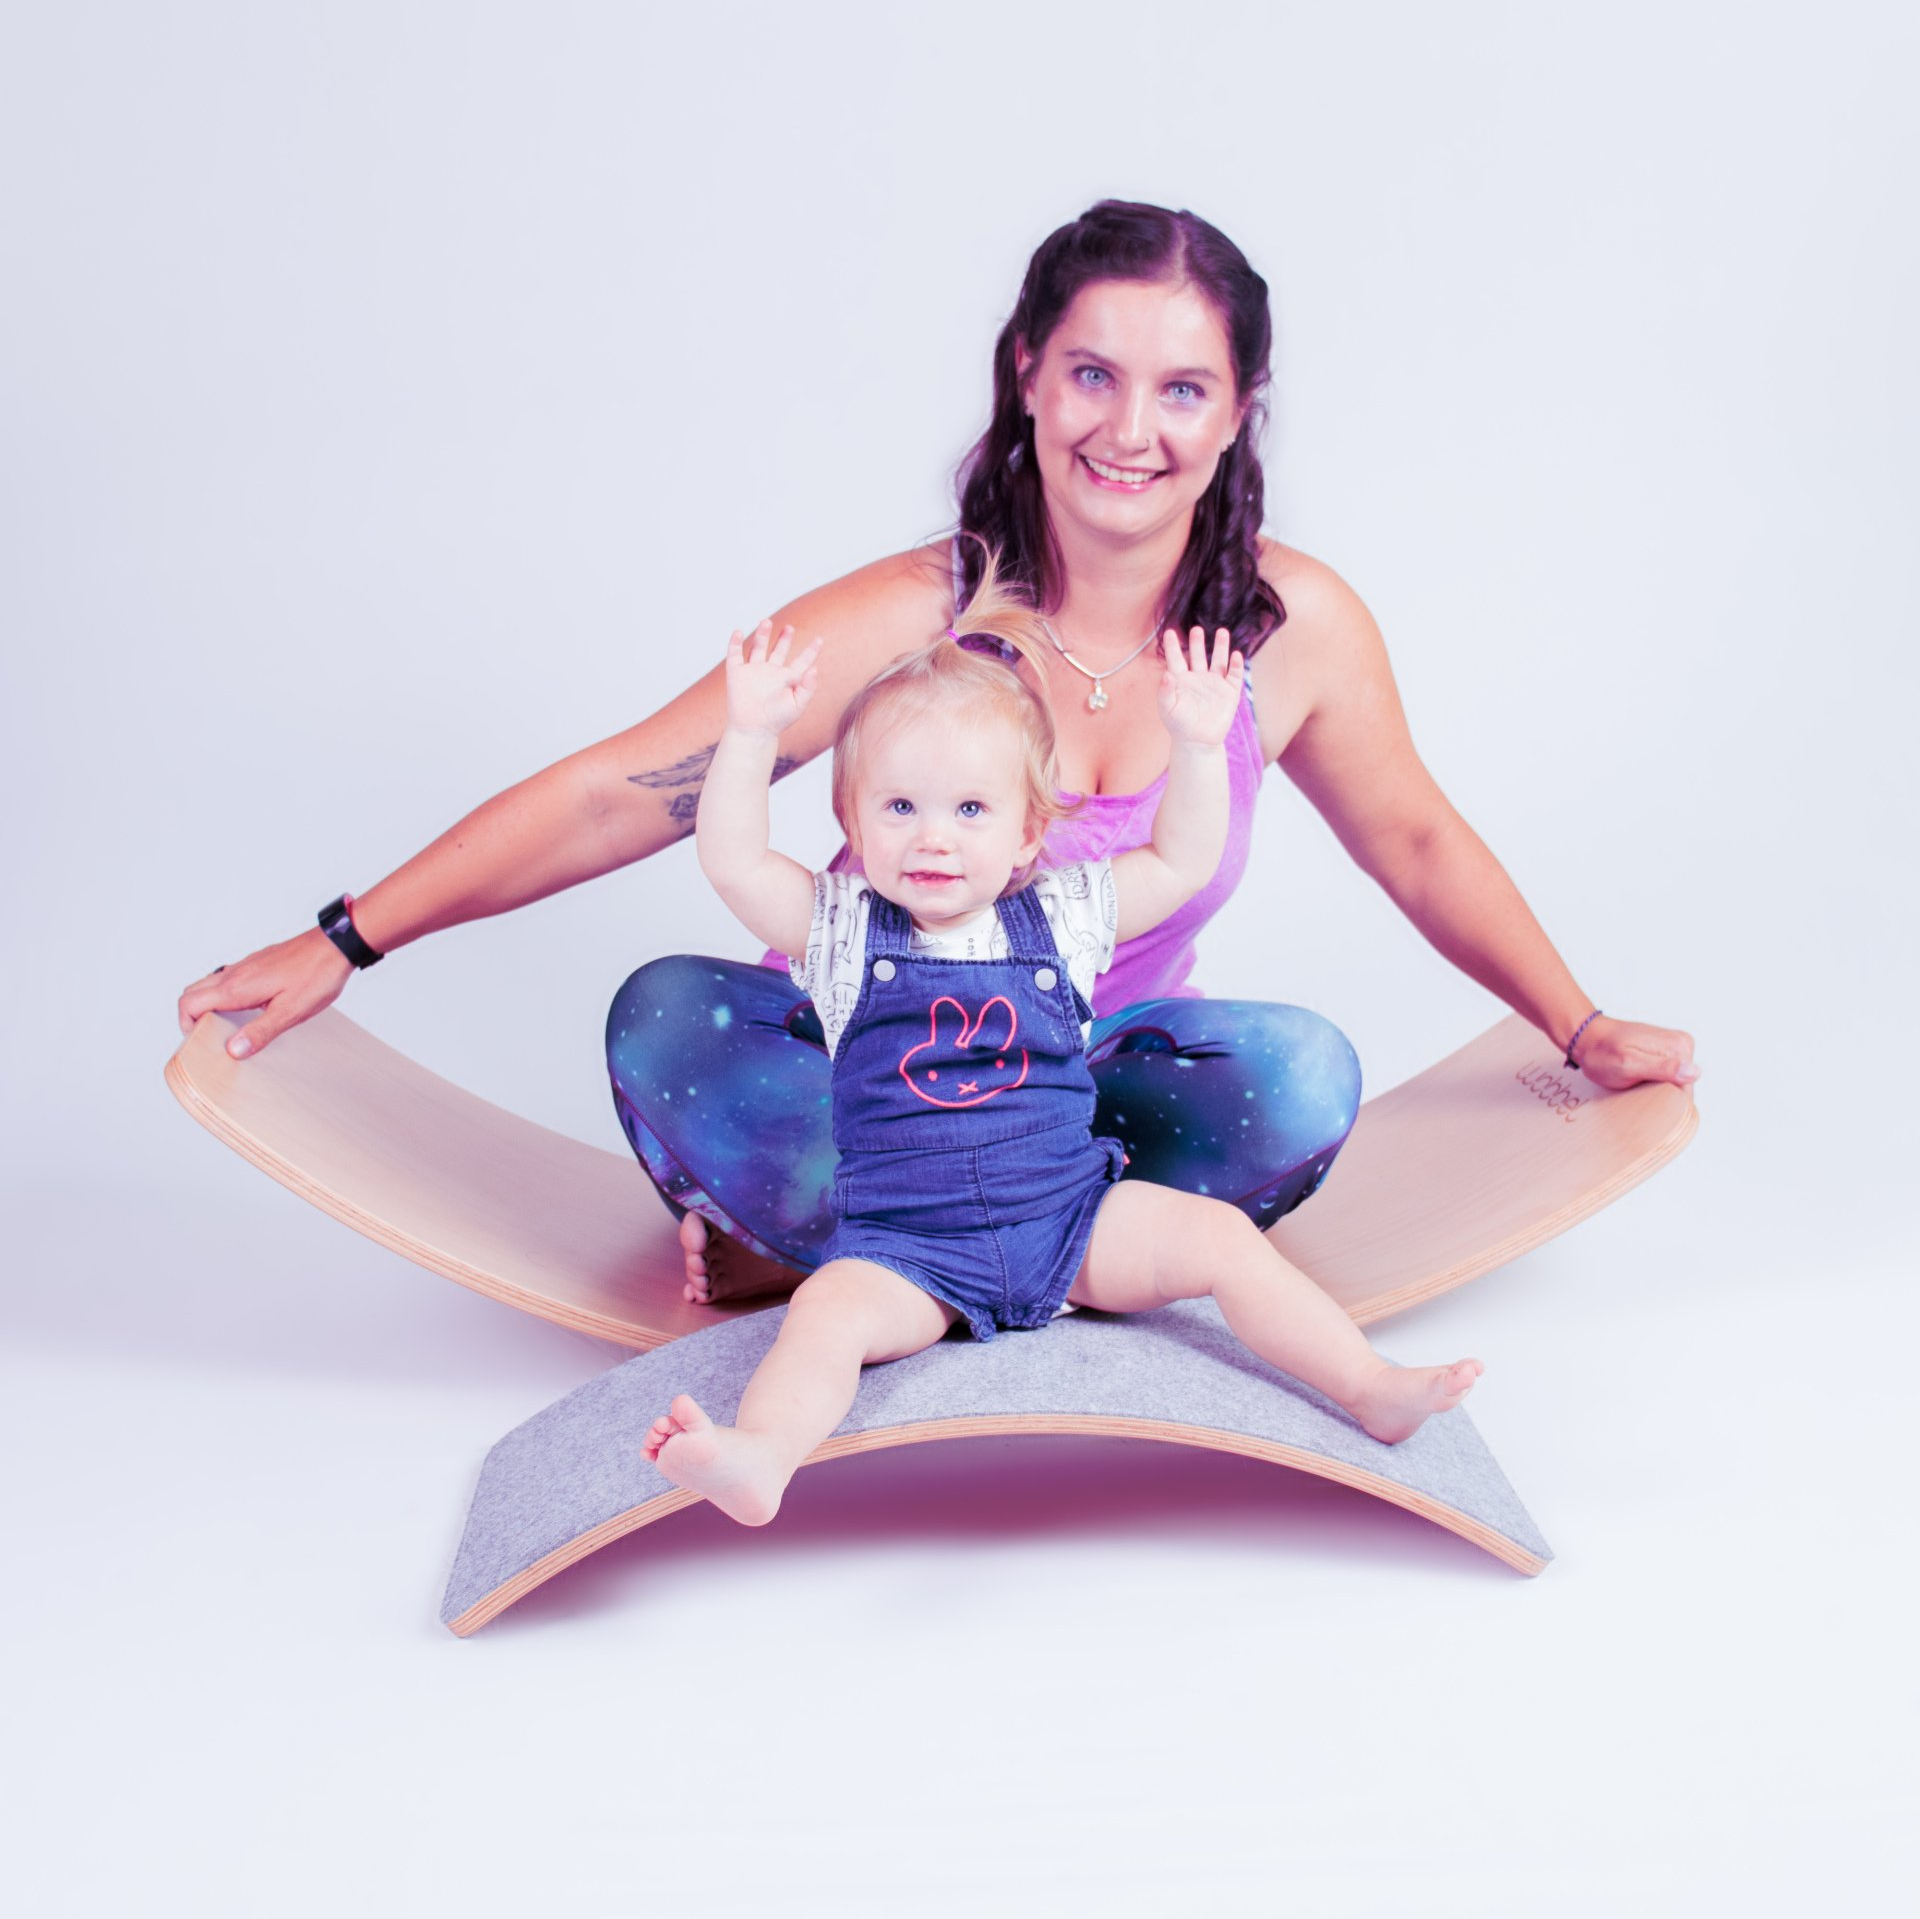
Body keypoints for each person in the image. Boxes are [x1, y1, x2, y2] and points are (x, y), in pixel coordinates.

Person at [174, 199, 1698, 1306]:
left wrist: (1575, 1024)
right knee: (671, 1019)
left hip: (1079, 1096)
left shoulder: (1291, 632)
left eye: (1182, 388)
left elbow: (1416, 841)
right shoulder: (926, 610)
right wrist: (346, 936)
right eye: (1092, 374)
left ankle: (881, 1248)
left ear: (1239, 413)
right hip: (866, 1081)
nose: (1131, 428)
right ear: (1026, 372)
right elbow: (620, 794)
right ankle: (992, 1249)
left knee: (1299, 1075)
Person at [639, 569, 1482, 1524]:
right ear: (853, 823)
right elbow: (734, 861)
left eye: (970, 809)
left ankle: (1369, 1386)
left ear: (1029, 829)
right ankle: (763, 1454)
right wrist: (750, 733)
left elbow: (1181, 860)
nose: (933, 839)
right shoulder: (838, 926)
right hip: (908, 1251)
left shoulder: (1064, 913)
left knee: (1221, 1240)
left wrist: (1197, 746)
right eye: (900, 807)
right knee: (824, 1314)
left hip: (1071, 1222)